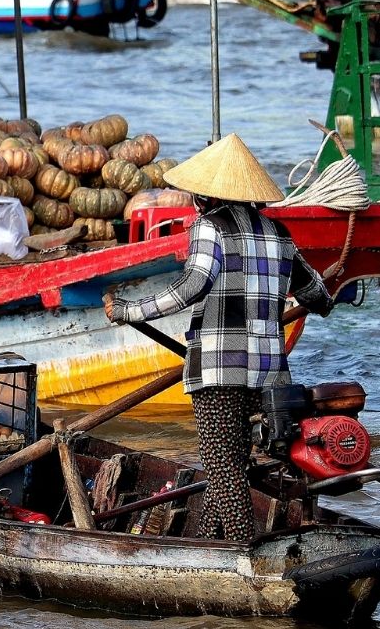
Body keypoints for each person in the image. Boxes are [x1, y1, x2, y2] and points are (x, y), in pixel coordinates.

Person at [103, 133, 334, 542]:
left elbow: (191, 287)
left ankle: (245, 551)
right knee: (232, 465)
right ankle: (208, 543)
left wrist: (128, 310)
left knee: (223, 468)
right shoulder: (278, 233)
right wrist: (327, 299)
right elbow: (316, 293)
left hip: (218, 368)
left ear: (206, 196)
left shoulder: (209, 227)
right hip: (268, 374)